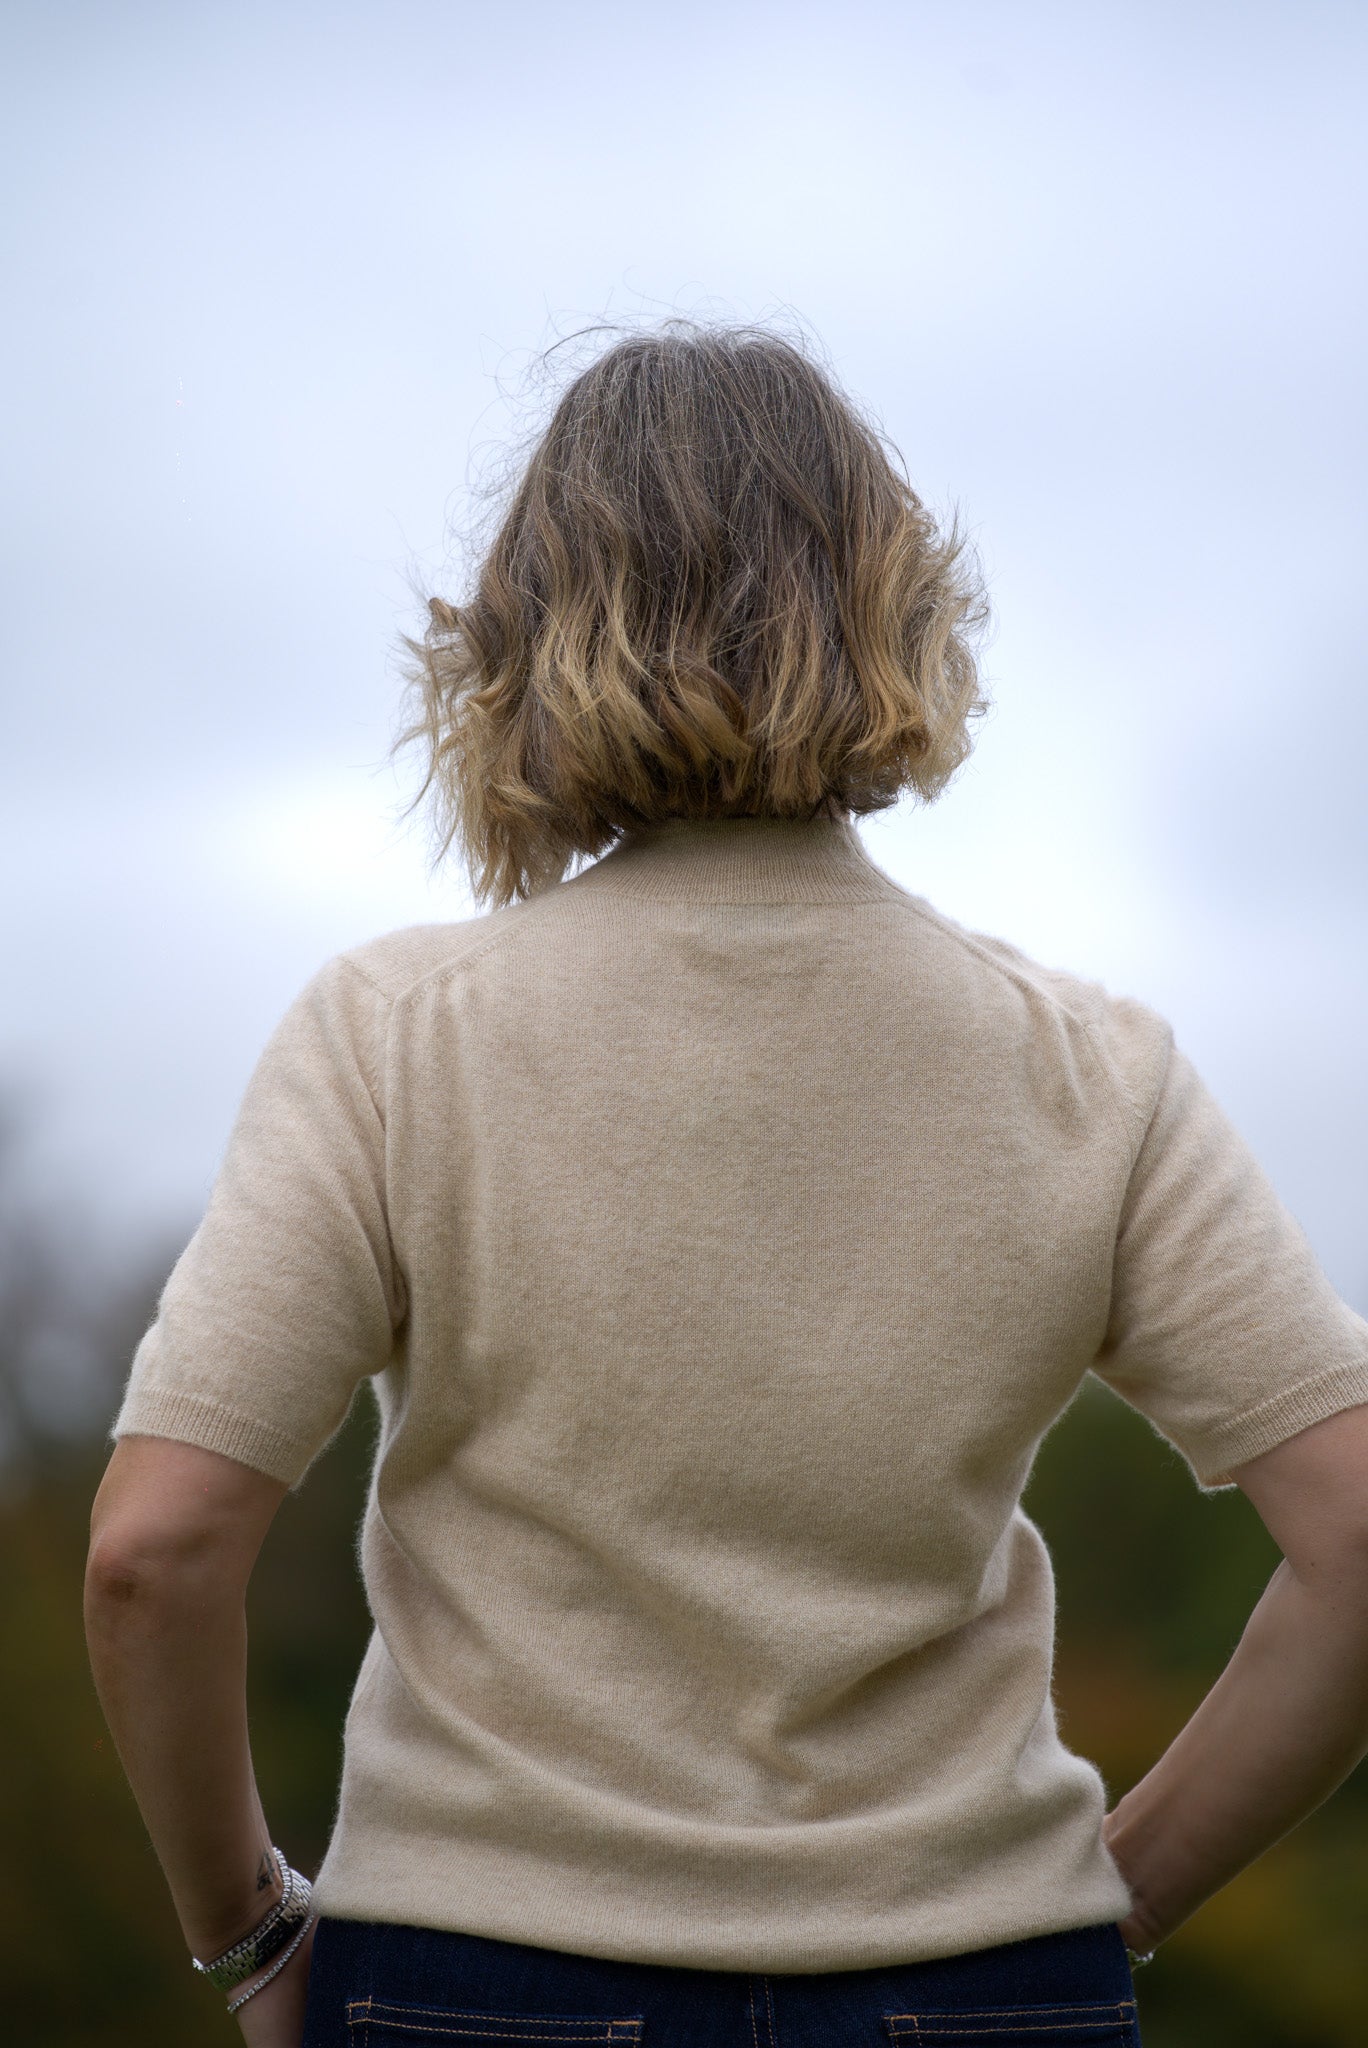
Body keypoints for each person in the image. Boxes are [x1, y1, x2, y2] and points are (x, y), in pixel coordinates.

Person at [85, 319, 1368, 2048]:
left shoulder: (398, 1038)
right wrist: (1107, 1894)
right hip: (986, 1985)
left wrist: (247, 1935)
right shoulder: (1091, 1067)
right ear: (897, 607)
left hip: (477, 1985)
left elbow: (154, 1553)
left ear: (520, 632)